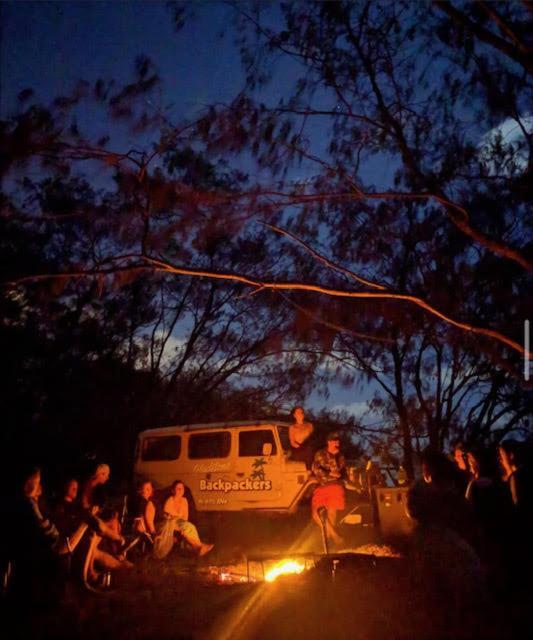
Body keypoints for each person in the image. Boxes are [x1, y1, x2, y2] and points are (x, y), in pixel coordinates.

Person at [154, 480, 213, 559]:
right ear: (173, 490)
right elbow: (166, 517)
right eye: (178, 488)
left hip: (180, 523)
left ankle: (198, 547)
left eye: (182, 489)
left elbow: (185, 517)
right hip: (170, 523)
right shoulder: (170, 501)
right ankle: (199, 547)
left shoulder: (184, 501)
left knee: (190, 527)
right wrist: (178, 524)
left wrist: (181, 525)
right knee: (187, 528)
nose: (180, 490)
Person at [311, 431, 346, 547]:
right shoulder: (320, 454)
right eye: (334, 440)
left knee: (332, 515)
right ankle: (335, 537)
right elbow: (316, 469)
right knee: (316, 513)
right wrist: (330, 473)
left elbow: (340, 473)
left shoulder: (340, 456)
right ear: (328, 442)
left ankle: (327, 544)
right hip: (322, 485)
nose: (337, 442)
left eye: (338, 440)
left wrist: (334, 471)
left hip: (335, 486)